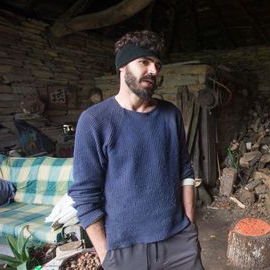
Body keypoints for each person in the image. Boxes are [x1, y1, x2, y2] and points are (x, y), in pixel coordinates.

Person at [69, 30, 203, 270]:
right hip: (124, 250)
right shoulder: (95, 120)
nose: (153, 70)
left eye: (157, 64)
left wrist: (190, 223)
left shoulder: (170, 114)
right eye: (144, 62)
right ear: (122, 67)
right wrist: (106, 255)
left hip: (179, 242)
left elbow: (185, 169)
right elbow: (84, 194)